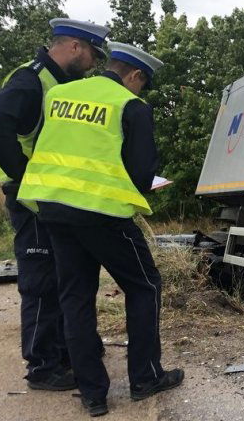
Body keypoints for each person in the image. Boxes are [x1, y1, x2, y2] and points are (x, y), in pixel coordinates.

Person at [17, 42, 183, 417]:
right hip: (103, 214)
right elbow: (140, 175)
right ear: (136, 75)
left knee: (75, 296)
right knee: (145, 285)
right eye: (144, 83)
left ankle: (93, 393)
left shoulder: (59, 94)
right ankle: (146, 378)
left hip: (54, 208)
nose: (141, 91)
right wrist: (143, 185)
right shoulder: (131, 106)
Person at [0, 18, 109, 391]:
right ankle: (42, 366)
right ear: (73, 47)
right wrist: (26, 178)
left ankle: (67, 352)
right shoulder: (31, 80)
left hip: (53, 199)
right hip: (31, 199)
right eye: (92, 55)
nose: (93, 64)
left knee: (65, 278)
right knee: (40, 282)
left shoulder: (60, 84)